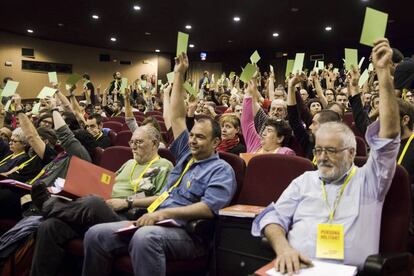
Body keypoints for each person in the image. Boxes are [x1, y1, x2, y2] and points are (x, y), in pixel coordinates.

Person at [251, 38, 400, 274]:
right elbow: (271, 217)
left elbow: (389, 136)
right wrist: (283, 248)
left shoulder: (370, 180)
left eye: (330, 151)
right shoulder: (304, 181)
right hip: (293, 269)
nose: (321, 157)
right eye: (319, 150)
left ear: (351, 153)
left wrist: (383, 75)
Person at [81, 53, 236, 276]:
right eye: (192, 135)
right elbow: (177, 116)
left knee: (145, 237)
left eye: (200, 137)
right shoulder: (186, 156)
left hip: (188, 234)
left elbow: (209, 208)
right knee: (95, 234)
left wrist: (164, 214)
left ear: (215, 142)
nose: (192, 140)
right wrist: (180, 74)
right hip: (157, 221)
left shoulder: (221, 169)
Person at [29, 125, 174, 276]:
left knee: (94, 203)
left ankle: (48, 206)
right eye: (131, 142)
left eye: (139, 142)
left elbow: (162, 198)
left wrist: (127, 202)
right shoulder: (129, 163)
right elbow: (108, 184)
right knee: (50, 226)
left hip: (125, 217)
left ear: (155, 143)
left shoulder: (164, 166)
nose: (133, 147)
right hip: (102, 209)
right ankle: (51, 206)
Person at [242, 80, 295, 155]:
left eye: (269, 130)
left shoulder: (285, 153)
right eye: (265, 130)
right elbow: (246, 121)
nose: (263, 133)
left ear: (280, 138)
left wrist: (291, 87)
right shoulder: (254, 143)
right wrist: (249, 92)